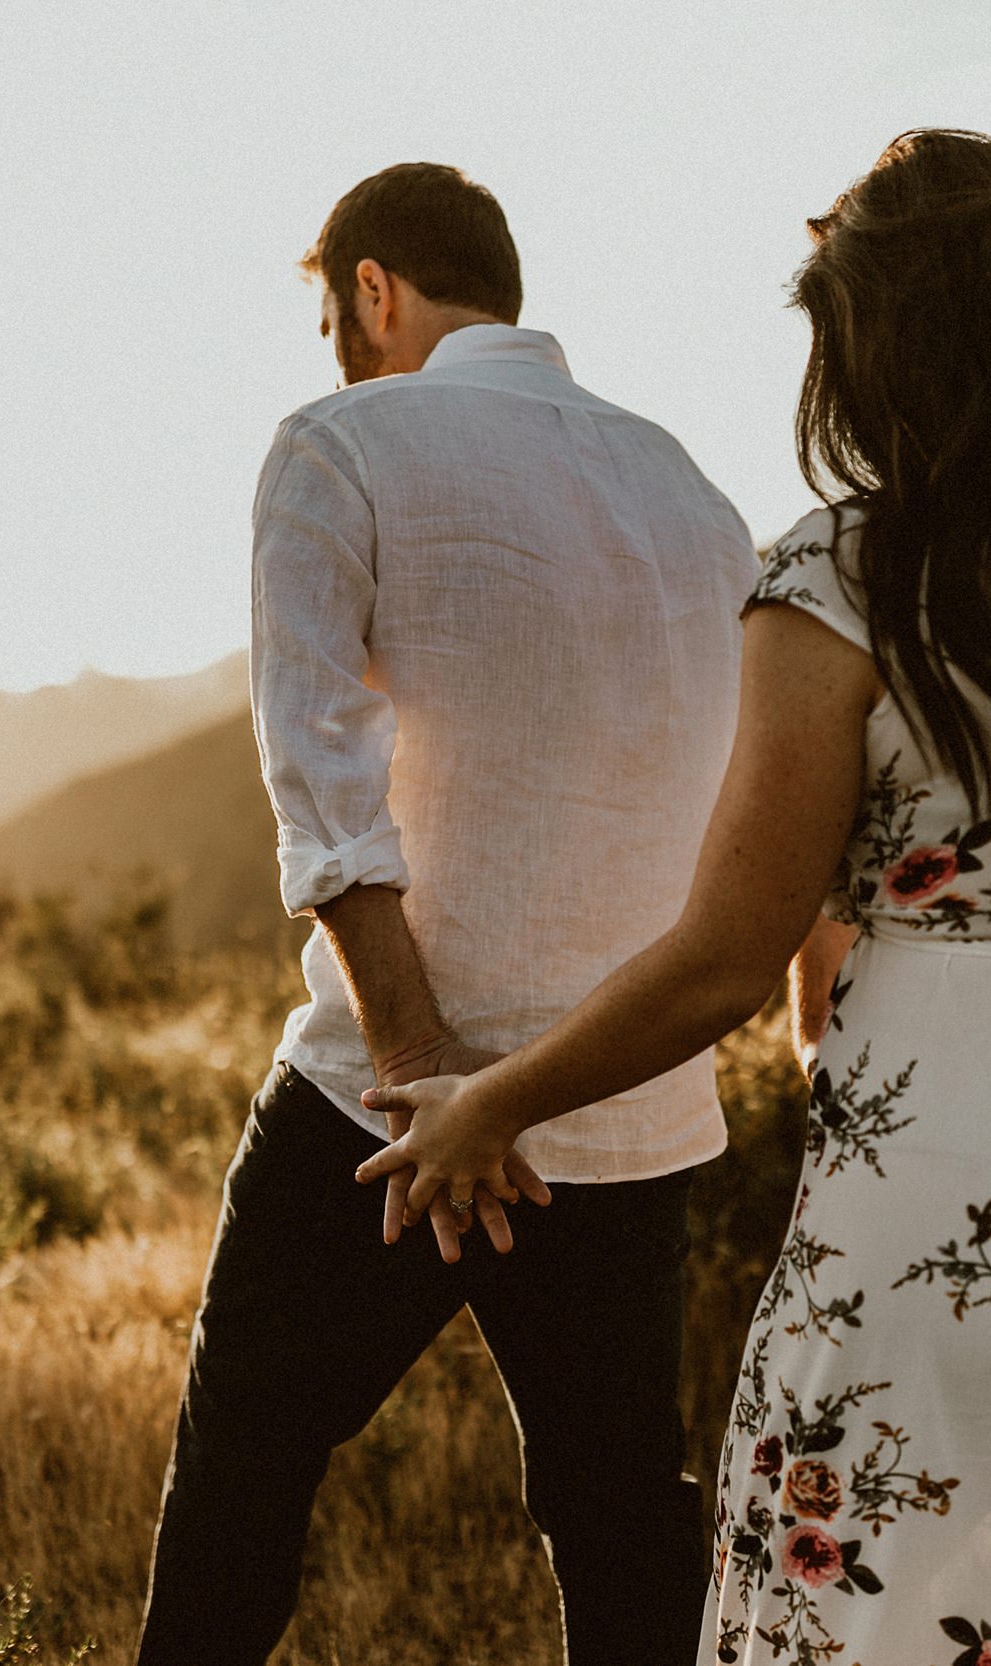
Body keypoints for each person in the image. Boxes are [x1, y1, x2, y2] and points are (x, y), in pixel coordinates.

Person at [361, 131, 991, 1664]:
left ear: (899, 341)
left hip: (941, 1180)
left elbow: (725, 949)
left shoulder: (845, 576)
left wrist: (492, 1103)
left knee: (895, 1575)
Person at [136, 161, 758, 1666]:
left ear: (373, 289)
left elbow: (323, 785)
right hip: (625, 1103)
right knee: (622, 1521)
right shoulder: (690, 485)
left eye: (336, 318)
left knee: (244, 1478)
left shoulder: (340, 441)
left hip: (384, 1108)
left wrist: (424, 1064)